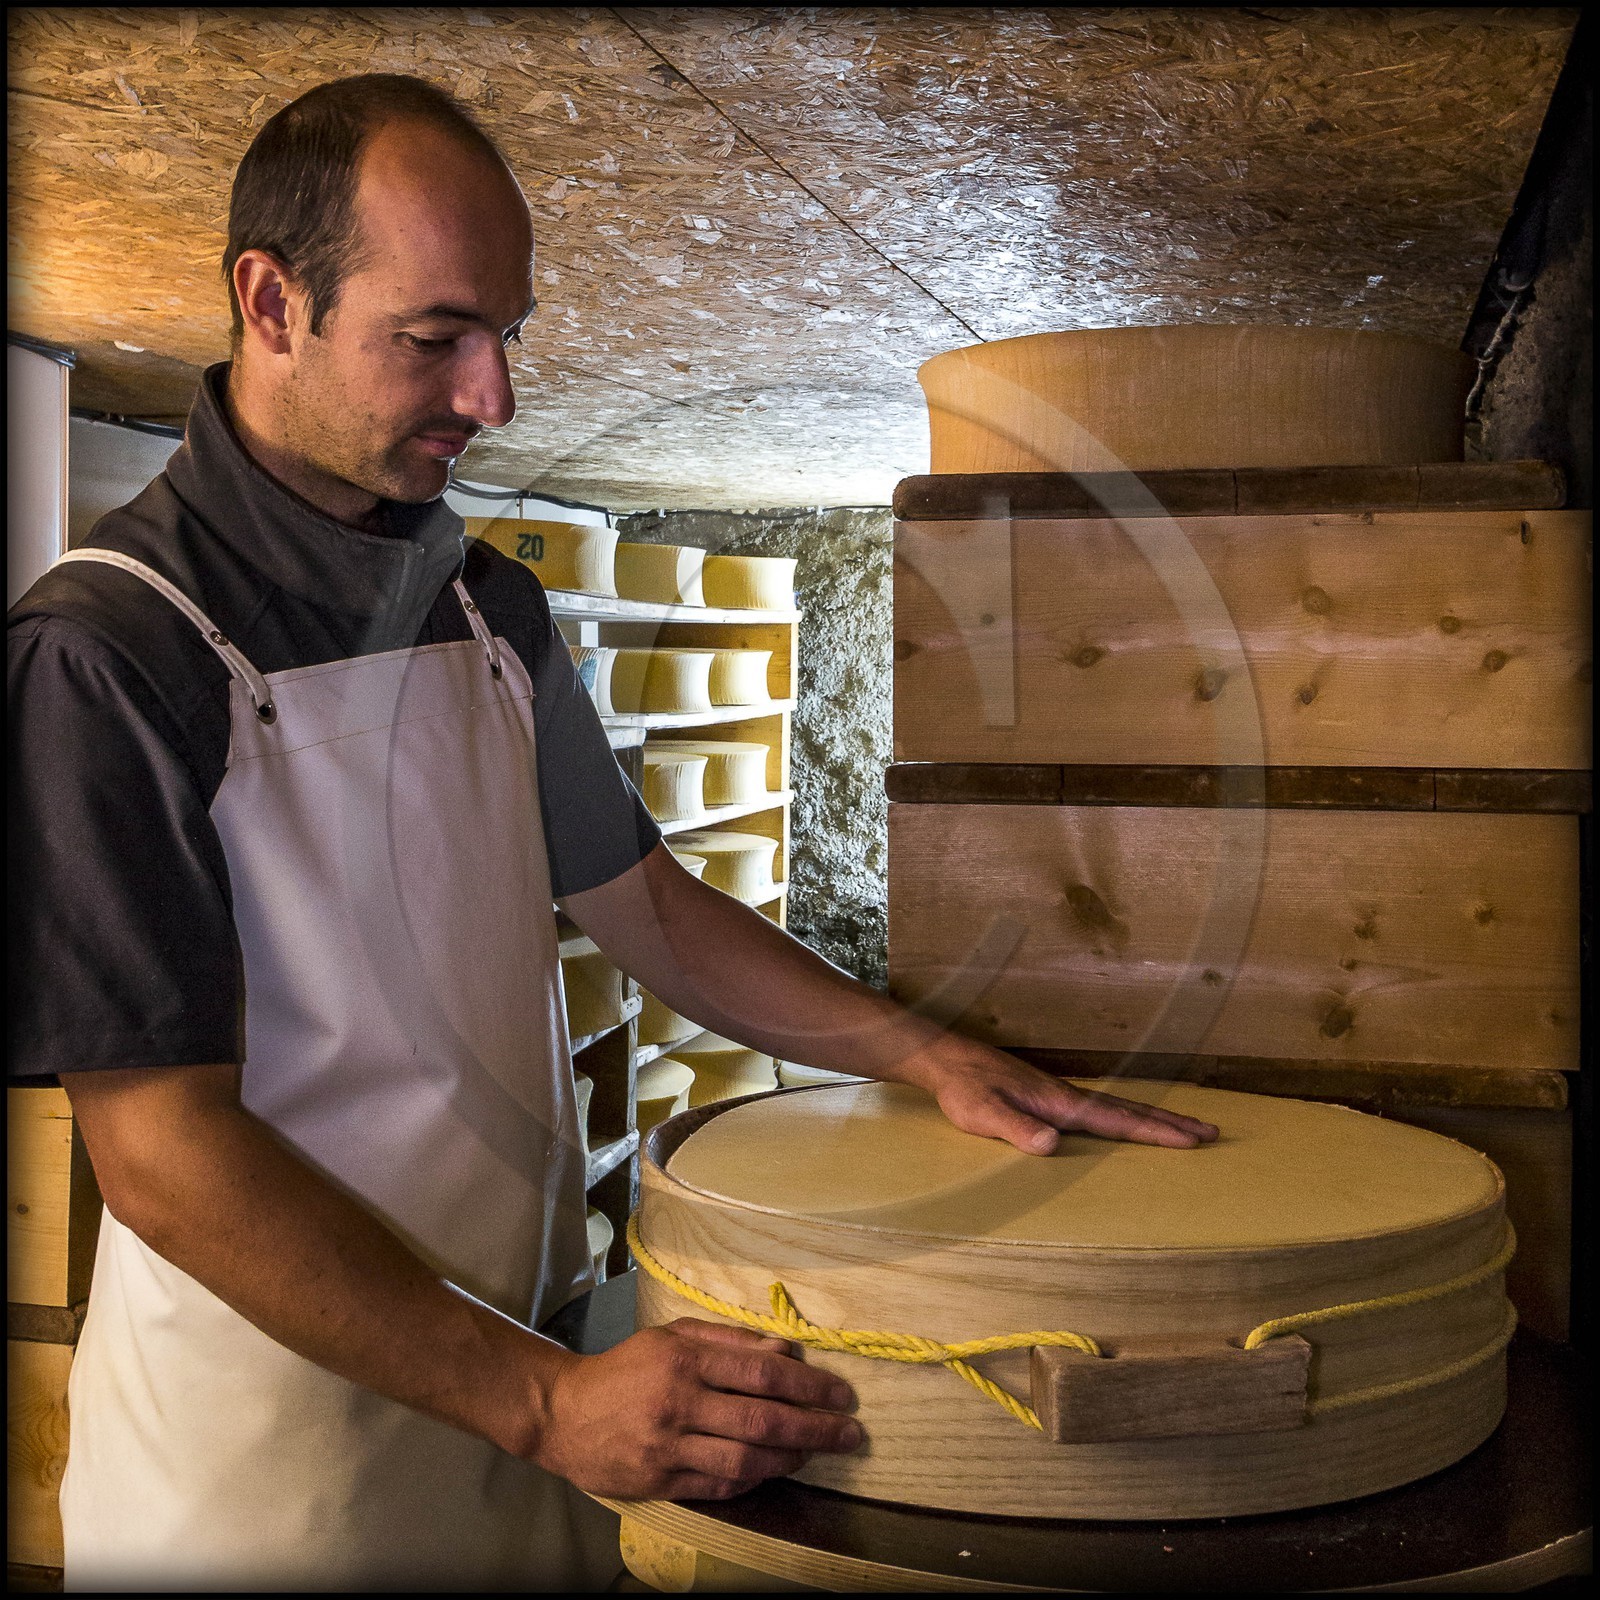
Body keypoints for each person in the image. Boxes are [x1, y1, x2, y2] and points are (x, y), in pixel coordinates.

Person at [6, 73, 1217, 1591]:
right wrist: (542, 1403)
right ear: (270, 303)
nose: (494, 398)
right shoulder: (109, 655)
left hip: (527, 1386)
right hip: (271, 1469)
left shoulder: (487, 606)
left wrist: (917, 1053)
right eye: (436, 337)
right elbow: (161, 1152)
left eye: (505, 335)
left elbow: (640, 900)